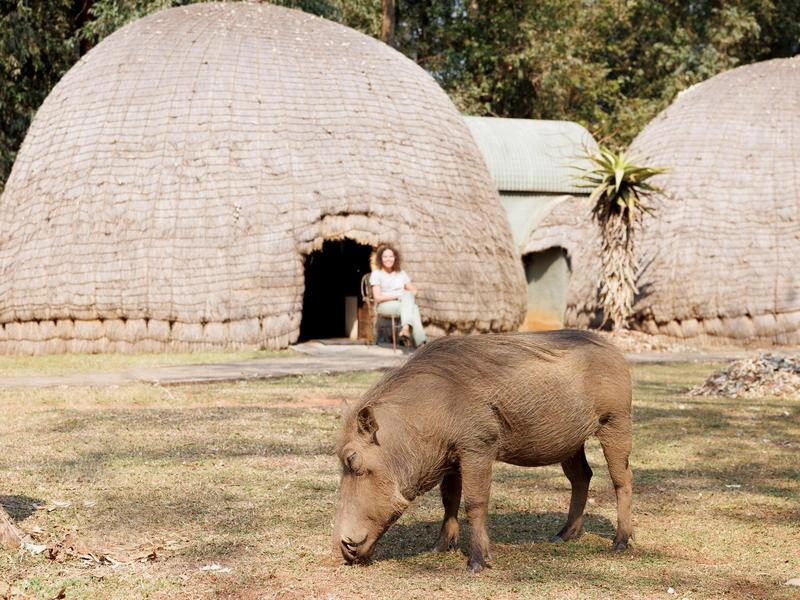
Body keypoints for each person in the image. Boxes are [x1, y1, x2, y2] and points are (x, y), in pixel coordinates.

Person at [369, 244, 427, 348]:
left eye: (391, 256)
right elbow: (377, 297)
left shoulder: (401, 273)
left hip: (402, 304)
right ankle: (420, 342)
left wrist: (406, 295)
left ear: (395, 258)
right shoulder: (376, 274)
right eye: (385, 256)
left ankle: (406, 330)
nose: (388, 259)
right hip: (385, 305)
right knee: (413, 307)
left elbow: (414, 290)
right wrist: (397, 296)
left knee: (411, 301)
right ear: (380, 259)